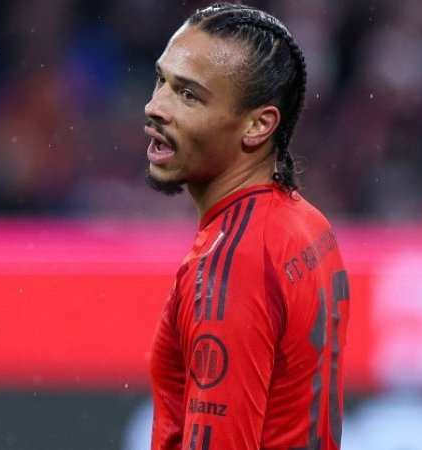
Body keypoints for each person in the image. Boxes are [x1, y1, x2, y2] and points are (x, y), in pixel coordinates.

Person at [144, 3, 350, 449]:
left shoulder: (233, 264)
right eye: (162, 81)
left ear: (258, 125)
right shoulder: (306, 224)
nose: (155, 107)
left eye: (188, 95)